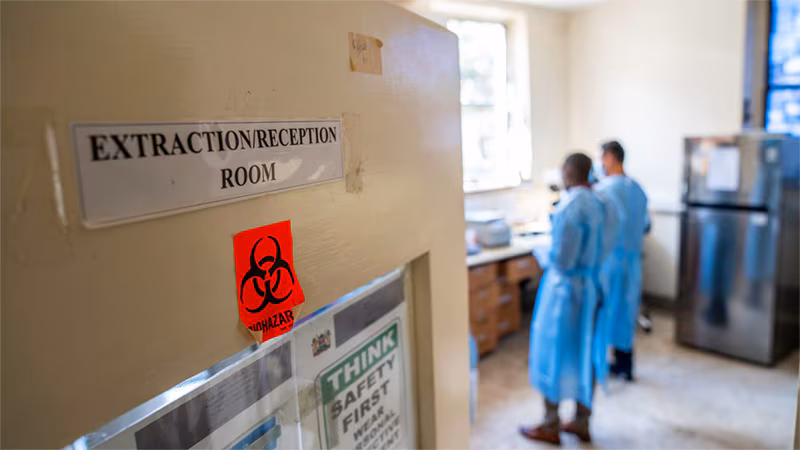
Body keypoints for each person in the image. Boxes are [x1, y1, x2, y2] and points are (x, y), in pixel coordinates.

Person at [520, 153, 611, 445]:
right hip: (593, 286)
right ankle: (582, 420)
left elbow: (562, 258)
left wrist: (541, 253)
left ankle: (550, 423)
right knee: (587, 352)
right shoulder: (601, 203)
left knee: (553, 353)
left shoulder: (570, 207)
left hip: (566, 293)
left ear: (567, 174)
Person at [594, 140, 649, 381]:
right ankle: (625, 365)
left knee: (606, 314)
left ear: (610, 157)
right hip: (633, 262)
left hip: (610, 263)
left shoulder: (603, 191)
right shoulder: (637, 189)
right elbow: (647, 225)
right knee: (626, 313)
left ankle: (600, 365)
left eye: (602, 157)